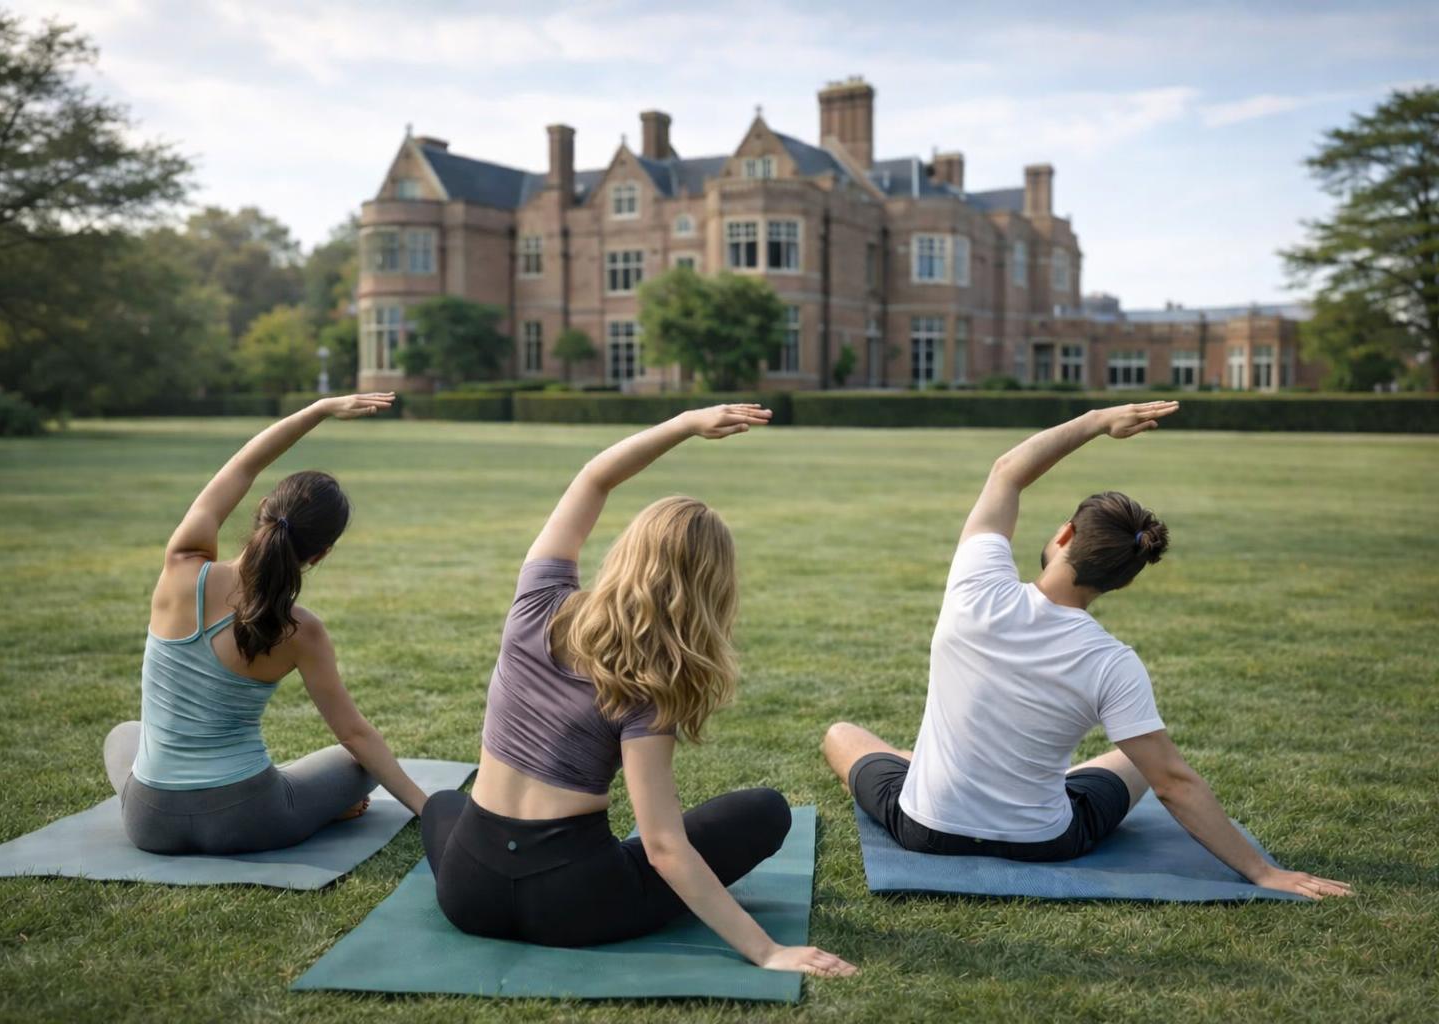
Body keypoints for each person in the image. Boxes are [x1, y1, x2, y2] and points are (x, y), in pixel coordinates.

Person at [824, 402, 1351, 901]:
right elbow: (1172, 783)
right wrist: (1263, 871)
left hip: (927, 828)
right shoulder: (1112, 661)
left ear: (1065, 533)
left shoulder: (977, 589)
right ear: (1119, 582)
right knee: (1138, 757)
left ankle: (928, 768)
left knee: (841, 735)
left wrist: (1099, 420)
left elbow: (1008, 471)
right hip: (1044, 843)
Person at [420, 406, 857, 977]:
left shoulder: (536, 602)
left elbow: (593, 478)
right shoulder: (649, 686)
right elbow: (663, 846)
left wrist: (683, 425)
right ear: (709, 592)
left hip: (467, 893)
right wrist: (767, 951)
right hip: (575, 907)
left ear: (626, 551)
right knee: (764, 811)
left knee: (443, 805)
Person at [102, 394, 432, 854]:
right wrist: (428, 809)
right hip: (250, 819)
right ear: (320, 555)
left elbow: (242, 464)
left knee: (123, 735)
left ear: (260, 512)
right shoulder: (302, 631)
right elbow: (354, 736)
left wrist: (317, 410)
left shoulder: (181, 568)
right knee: (356, 765)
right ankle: (319, 805)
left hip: (150, 823)